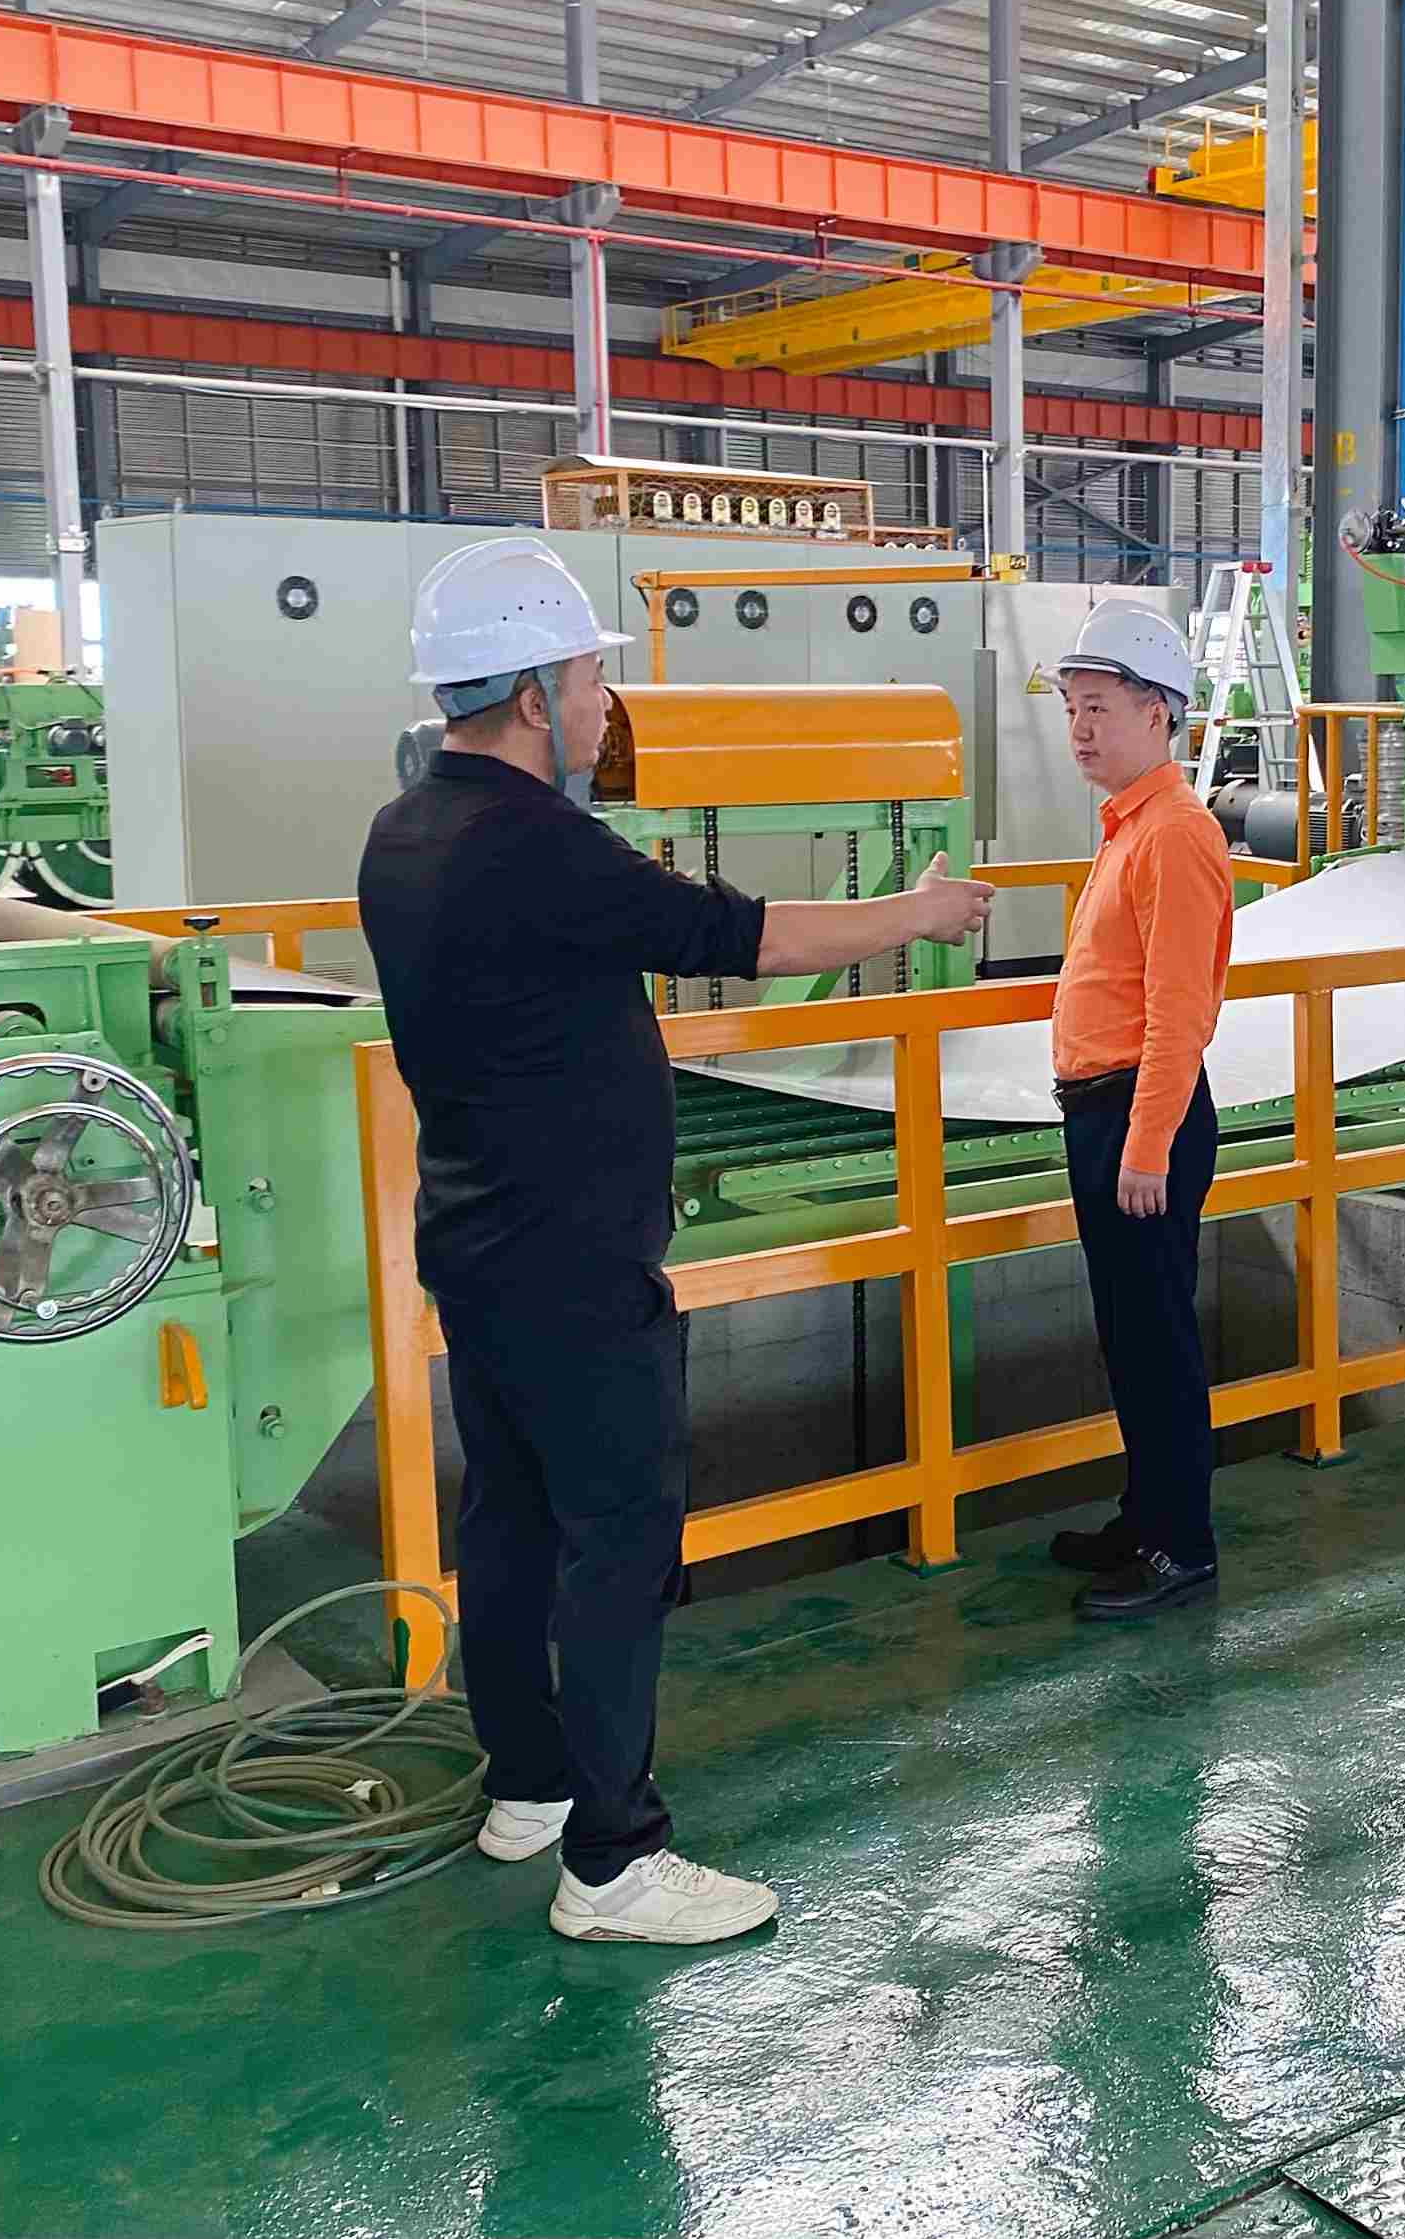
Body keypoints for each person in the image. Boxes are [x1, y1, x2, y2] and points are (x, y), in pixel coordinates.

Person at [360, 537, 994, 1946]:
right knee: (618, 1539)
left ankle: (529, 1785)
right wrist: (921, 910)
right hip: (576, 1261)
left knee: (512, 1518)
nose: (606, 708)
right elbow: (738, 932)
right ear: (534, 693)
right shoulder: (536, 842)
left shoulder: (402, 830)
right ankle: (614, 1859)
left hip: (475, 1236)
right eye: (594, 680)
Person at [1042, 601, 1236, 1621]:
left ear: (1158, 713)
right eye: (1072, 707)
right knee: (1129, 1331)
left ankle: (1181, 1544)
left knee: (1156, 1336)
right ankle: (1145, 1512)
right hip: (1106, 1114)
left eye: (1099, 707)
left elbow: (1179, 1011)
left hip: (1139, 1118)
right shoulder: (1128, 827)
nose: (1080, 728)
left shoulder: (1176, 834)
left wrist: (1148, 1140)